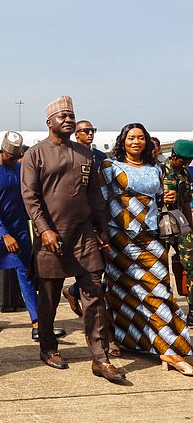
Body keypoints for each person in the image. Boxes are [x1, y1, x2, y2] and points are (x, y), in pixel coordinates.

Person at [21, 96, 123, 382]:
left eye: (71, 115)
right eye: (62, 116)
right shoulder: (35, 154)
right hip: (52, 238)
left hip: (84, 237)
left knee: (94, 296)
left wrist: (102, 229)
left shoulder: (86, 154)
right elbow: (30, 196)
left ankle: (100, 358)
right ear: (49, 122)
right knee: (49, 299)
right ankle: (47, 347)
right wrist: (44, 229)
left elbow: (95, 196)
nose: (68, 119)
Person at [101, 123, 193, 376]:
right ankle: (123, 340)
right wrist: (101, 235)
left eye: (141, 138)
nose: (136, 142)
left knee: (159, 292)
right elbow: (100, 202)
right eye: (131, 138)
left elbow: (158, 199)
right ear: (123, 141)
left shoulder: (156, 168)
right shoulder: (110, 168)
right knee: (120, 291)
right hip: (120, 238)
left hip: (151, 237)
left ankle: (171, 350)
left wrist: (167, 199)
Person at [0, 131, 39, 337]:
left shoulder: (21, 169)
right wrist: (5, 235)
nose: (14, 160)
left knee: (26, 274)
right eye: (11, 157)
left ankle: (37, 322)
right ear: (2, 151)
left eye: (17, 157)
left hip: (19, 230)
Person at [63, 119, 106, 317]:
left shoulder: (100, 157)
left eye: (92, 130)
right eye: (85, 130)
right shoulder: (69, 155)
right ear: (76, 134)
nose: (90, 134)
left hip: (98, 215)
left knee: (99, 264)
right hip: (77, 217)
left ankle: (73, 291)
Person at [162, 140, 193, 325]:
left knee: (191, 265)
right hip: (162, 226)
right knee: (161, 269)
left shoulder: (185, 174)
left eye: (189, 161)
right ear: (173, 156)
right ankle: (165, 311)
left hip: (180, 225)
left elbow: (186, 204)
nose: (186, 164)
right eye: (183, 161)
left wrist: (191, 226)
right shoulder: (159, 171)